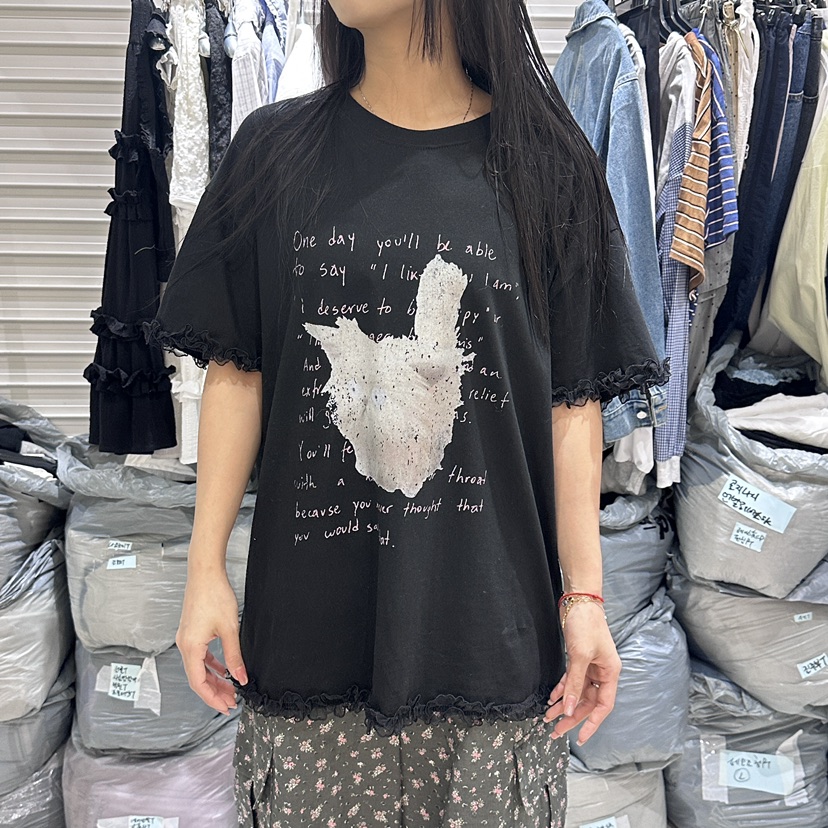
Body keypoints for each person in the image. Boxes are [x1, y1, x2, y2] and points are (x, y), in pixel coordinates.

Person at [143, 0, 668, 825]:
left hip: (491, 646)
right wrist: (204, 567)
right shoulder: (273, 154)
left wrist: (587, 599)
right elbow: (237, 372)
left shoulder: (546, 165)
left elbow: (571, 402)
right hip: (313, 641)